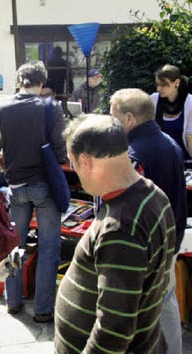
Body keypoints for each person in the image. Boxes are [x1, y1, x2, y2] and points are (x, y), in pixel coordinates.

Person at [55, 114, 175, 353]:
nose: (75, 170)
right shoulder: (152, 194)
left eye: (73, 163)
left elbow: (114, 330)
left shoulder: (121, 227)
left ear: (85, 161)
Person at [0, 61, 66, 323]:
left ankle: (13, 301)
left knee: (13, 246)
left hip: (16, 184)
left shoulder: (2, 105)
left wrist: (5, 144)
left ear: (19, 81)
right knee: (50, 247)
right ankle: (42, 309)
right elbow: (60, 147)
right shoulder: (50, 107)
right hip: (45, 184)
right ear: (42, 82)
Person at [110, 88, 186, 354]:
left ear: (130, 118)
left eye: (114, 117)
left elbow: (129, 207)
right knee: (165, 302)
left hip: (147, 244)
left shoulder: (135, 153)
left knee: (147, 306)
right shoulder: (168, 142)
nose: (112, 124)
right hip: (169, 237)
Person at [151, 64, 192, 161]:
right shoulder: (153, 99)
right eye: (157, 84)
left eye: (163, 85)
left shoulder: (189, 103)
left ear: (176, 83)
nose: (158, 89)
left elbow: (190, 137)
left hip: (185, 161)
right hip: (160, 160)